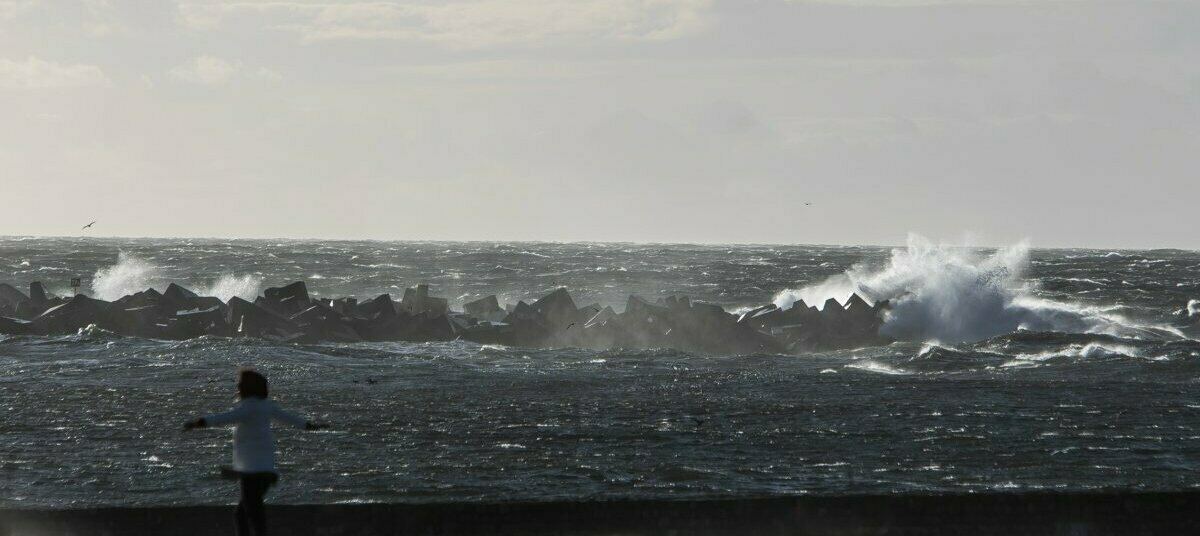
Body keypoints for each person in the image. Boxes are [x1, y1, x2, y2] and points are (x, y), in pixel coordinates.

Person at [184, 368, 326, 536]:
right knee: (246, 513)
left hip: (253, 471)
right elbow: (290, 418)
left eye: (240, 384)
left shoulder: (249, 407)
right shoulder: (266, 406)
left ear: (247, 388)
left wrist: (198, 423)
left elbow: (225, 417)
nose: (238, 386)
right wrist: (310, 426)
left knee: (251, 514)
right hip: (265, 468)